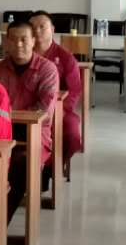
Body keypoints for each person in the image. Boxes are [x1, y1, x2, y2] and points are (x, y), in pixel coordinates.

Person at [0, 19, 59, 224]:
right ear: (6, 42)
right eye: (13, 39)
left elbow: (44, 110)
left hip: (35, 134)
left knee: (21, 162)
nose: (18, 44)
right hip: (4, 131)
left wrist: (10, 114)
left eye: (24, 39)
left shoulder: (47, 69)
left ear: (33, 41)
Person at [28, 9, 84, 169]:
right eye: (33, 27)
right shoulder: (24, 55)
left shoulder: (66, 58)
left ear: (52, 29)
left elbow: (74, 91)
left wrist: (56, 111)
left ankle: (53, 168)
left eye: (42, 26)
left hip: (59, 110)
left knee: (72, 135)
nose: (37, 30)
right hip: (28, 108)